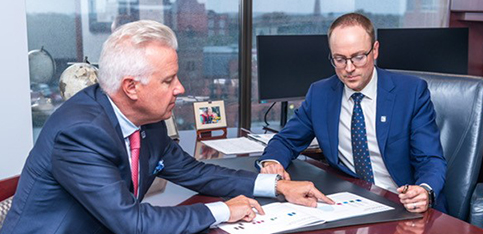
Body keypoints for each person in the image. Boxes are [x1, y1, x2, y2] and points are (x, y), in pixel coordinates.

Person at [1, 20, 333, 234]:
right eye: (168, 80)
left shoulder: (149, 121)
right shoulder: (80, 133)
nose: (180, 89)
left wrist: (275, 185)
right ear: (131, 87)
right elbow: (131, 223)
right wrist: (222, 210)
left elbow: (196, 172)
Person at [258, 13, 447, 214]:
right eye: (340, 59)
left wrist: (425, 190)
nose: (349, 69)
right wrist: (272, 162)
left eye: (358, 57)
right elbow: (286, 140)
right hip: (353, 202)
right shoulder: (320, 94)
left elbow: (430, 159)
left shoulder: (411, 92)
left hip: (404, 204)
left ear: (375, 50)